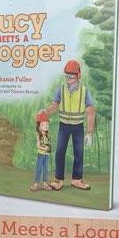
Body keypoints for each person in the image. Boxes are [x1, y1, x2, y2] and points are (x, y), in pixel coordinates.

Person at [44, 58, 95, 190]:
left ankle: (77, 180)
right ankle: (58, 179)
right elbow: (54, 105)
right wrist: (44, 112)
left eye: (71, 75)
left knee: (79, 152)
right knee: (60, 151)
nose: (68, 78)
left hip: (78, 126)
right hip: (64, 125)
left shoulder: (84, 91)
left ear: (78, 75)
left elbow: (90, 111)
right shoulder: (61, 89)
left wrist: (89, 132)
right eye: (67, 75)